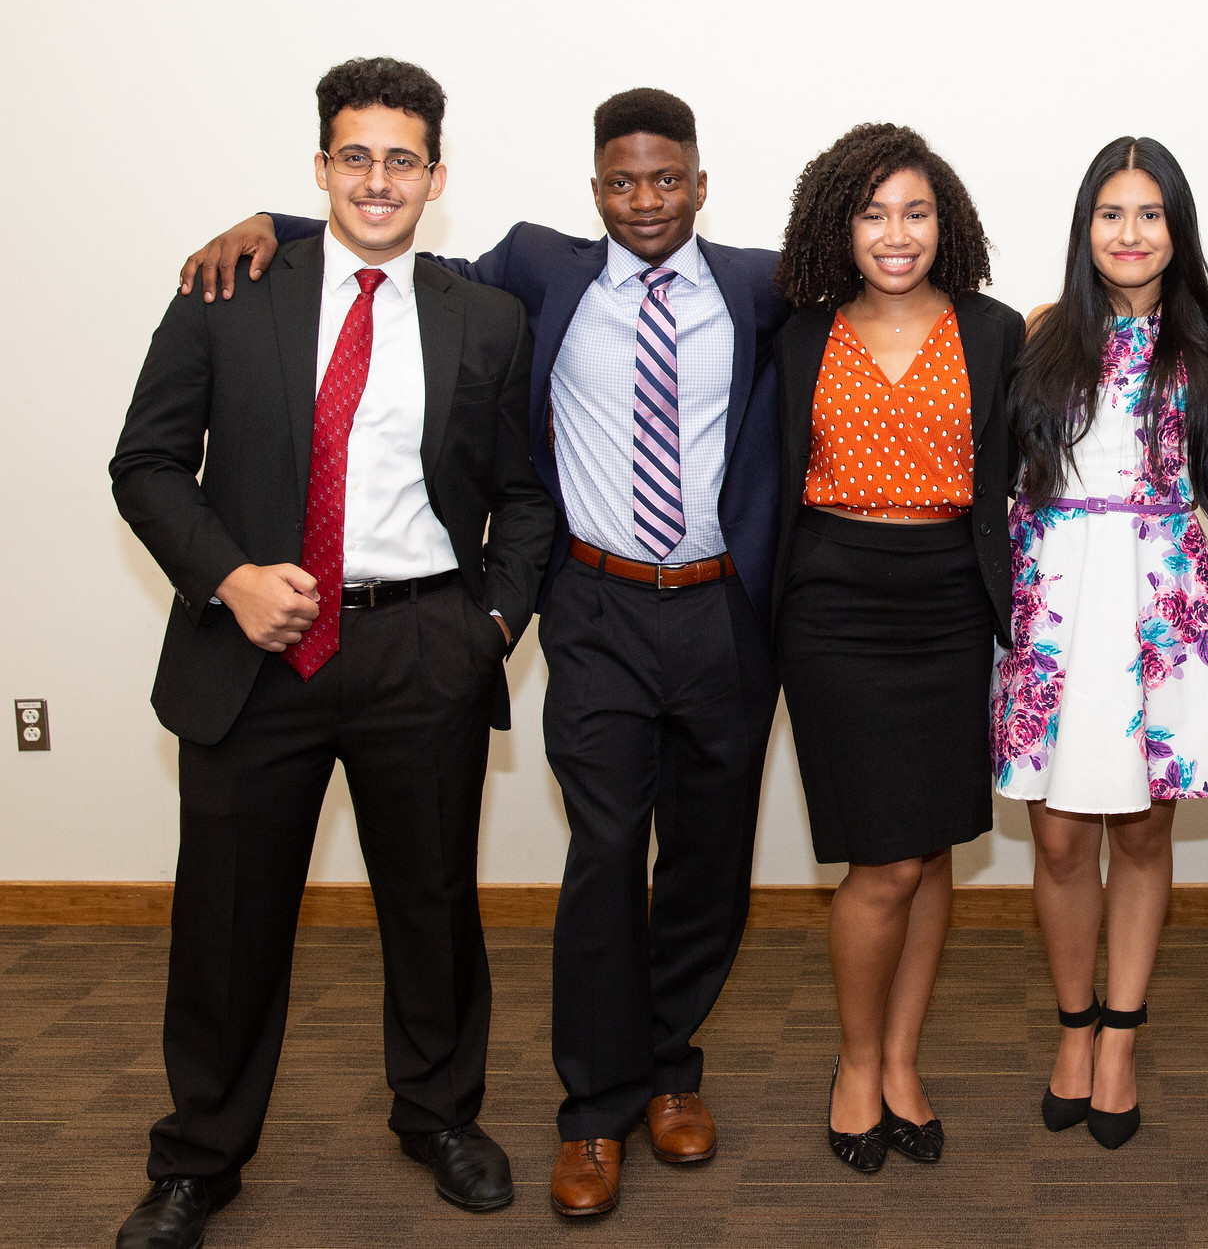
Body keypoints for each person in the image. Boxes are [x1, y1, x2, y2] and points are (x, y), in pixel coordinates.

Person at [178, 88, 789, 1218]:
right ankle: (594, 1110)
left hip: (722, 614)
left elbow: (892, 279)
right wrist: (273, 222)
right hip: (599, 607)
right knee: (606, 853)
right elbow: (383, 243)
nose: (644, 200)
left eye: (667, 180)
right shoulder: (539, 273)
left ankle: (669, 1067)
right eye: (621, 180)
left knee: (708, 864)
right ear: (592, 186)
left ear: (701, 185)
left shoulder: (760, 285)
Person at [109, 57, 556, 1249]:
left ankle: (439, 1115)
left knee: (432, 904)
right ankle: (199, 1158)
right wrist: (229, 578)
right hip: (257, 647)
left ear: (436, 178)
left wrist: (492, 627)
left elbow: (523, 497)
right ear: (319, 169)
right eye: (353, 155)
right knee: (228, 917)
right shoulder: (229, 289)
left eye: (400, 158)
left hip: (423, 644)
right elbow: (144, 465)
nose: (376, 178)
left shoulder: (487, 316)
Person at [771, 123, 1023, 1173]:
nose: (895, 232)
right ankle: (854, 1063)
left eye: (915, 210)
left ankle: (903, 1062)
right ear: (838, 223)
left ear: (946, 221)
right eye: (872, 212)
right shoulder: (791, 329)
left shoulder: (996, 330)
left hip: (952, 605)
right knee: (881, 858)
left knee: (931, 851)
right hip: (833, 605)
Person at [997, 136, 1208, 1150]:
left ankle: (1122, 1038)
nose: (1130, 233)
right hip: (1056, 600)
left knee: (1144, 831)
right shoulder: (1037, 331)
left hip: (1166, 600)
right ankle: (1072, 1026)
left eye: (1150, 214)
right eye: (1112, 213)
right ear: (1084, 227)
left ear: (1175, 229)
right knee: (1058, 835)